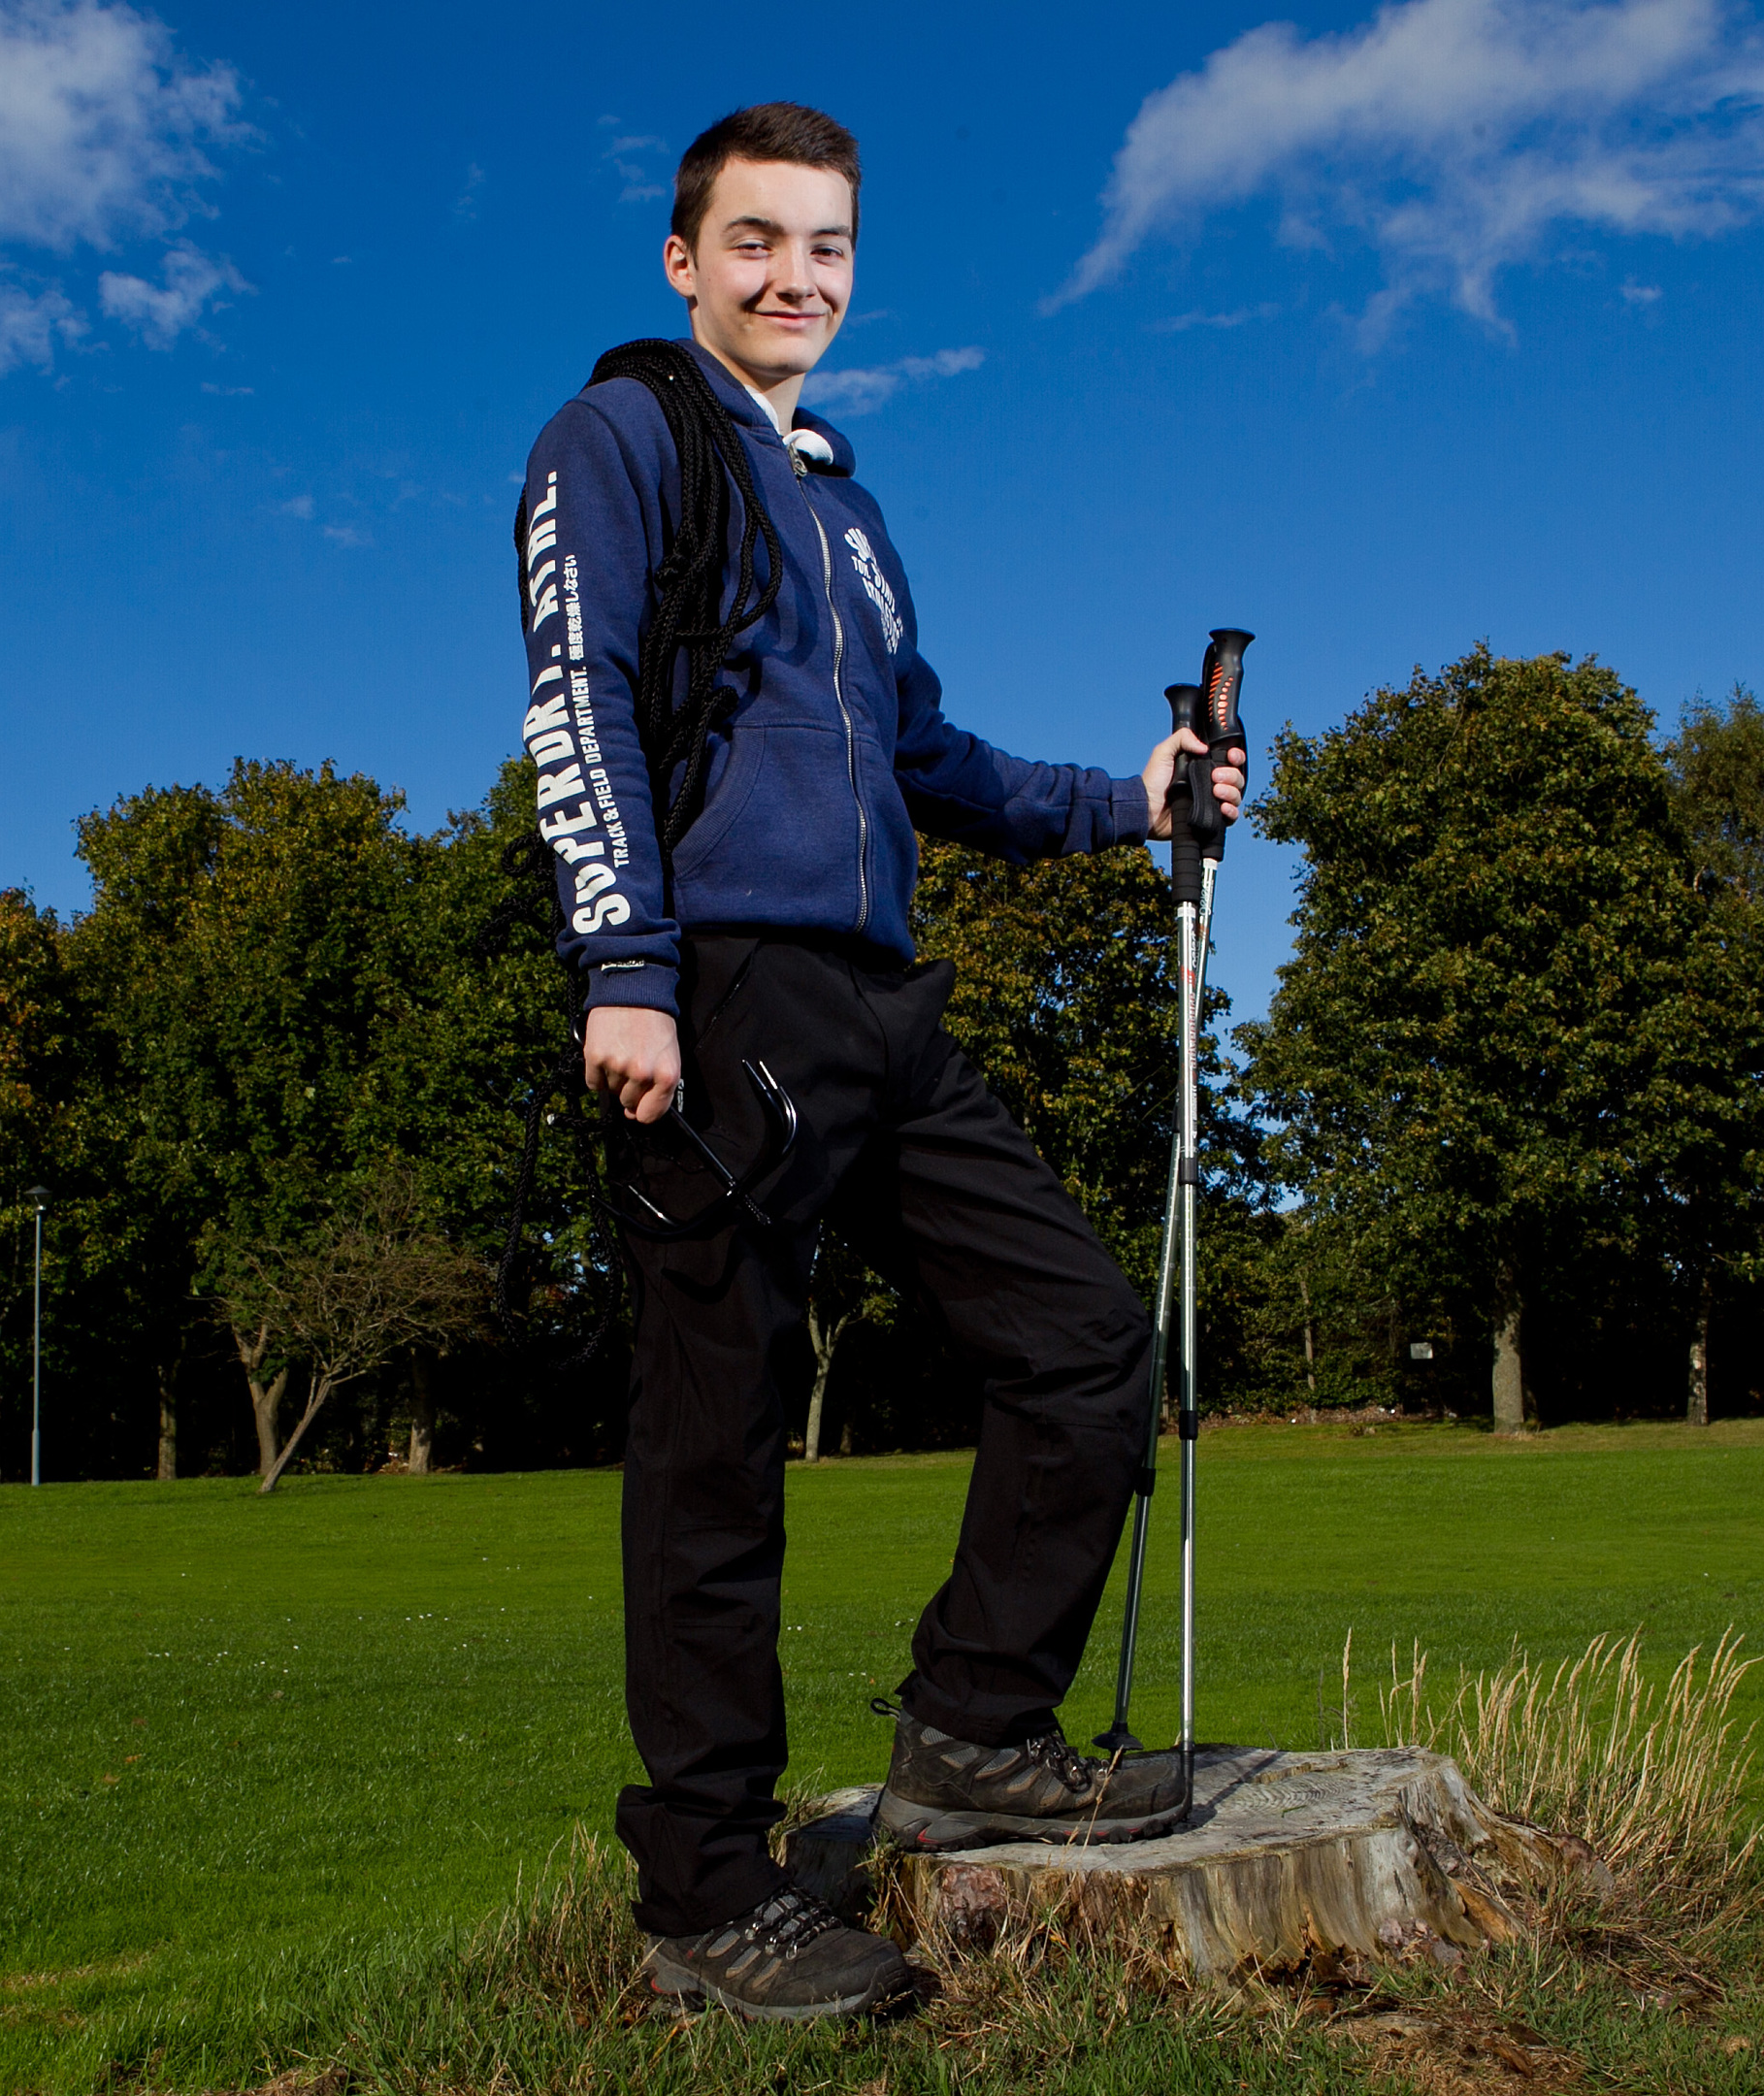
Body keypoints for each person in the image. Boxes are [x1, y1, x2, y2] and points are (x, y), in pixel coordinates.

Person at [510, 101, 1245, 2021]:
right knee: (713, 1450)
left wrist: (1127, 801)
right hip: (716, 996)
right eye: (756, 242)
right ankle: (703, 1900)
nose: (794, 279)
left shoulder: (844, 494)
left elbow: (928, 758)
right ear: (684, 259)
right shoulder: (622, 439)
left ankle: (976, 1728)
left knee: (1086, 1333)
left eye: (825, 248)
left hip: (877, 1006)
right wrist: (626, 966)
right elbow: (573, 700)